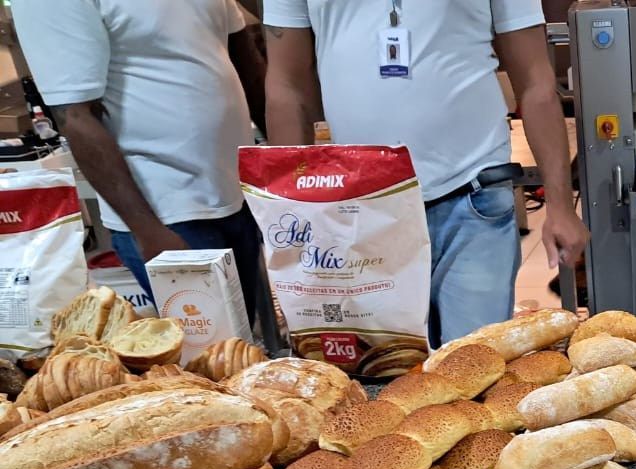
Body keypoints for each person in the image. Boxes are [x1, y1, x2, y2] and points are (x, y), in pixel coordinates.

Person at [263, 1, 588, 346]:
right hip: (362, 209)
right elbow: (287, 88)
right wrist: (292, 214)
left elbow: (536, 82)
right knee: (389, 377)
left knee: (474, 369)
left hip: (474, 195)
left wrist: (561, 206)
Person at [10, 0, 267, 312]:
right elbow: (74, 117)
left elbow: (244, 58)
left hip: (237, 194)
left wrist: (285, 171)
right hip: (168, 214)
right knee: (208, 353)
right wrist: (148, 232)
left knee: (243, 347)